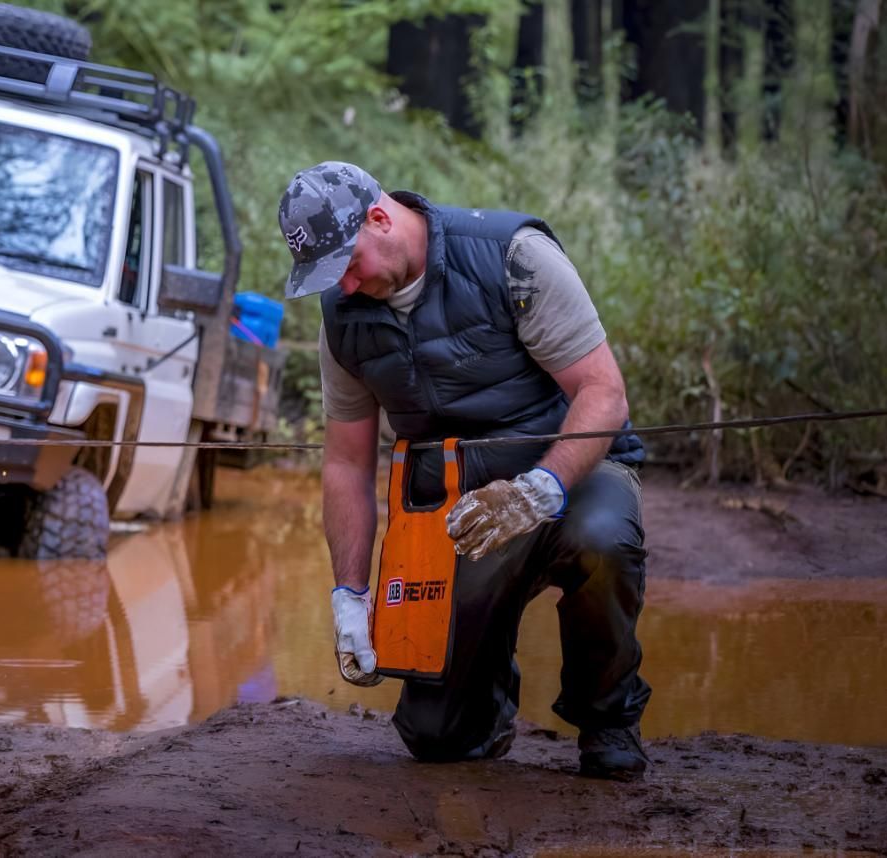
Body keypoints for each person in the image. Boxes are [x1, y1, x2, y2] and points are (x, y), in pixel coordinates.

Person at [279, 162, 652, 780]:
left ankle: (606, 719)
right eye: (327, 277)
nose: (343, 287)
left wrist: (540, 488)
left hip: (572, 475)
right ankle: (485, 698)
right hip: (455, 509)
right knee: (438, 740)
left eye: (347, 265)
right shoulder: (342, 318)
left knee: (603, 543)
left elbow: (603, 394)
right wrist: (349, 595)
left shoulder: (512, 257)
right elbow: (347, 463)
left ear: (380, 218)